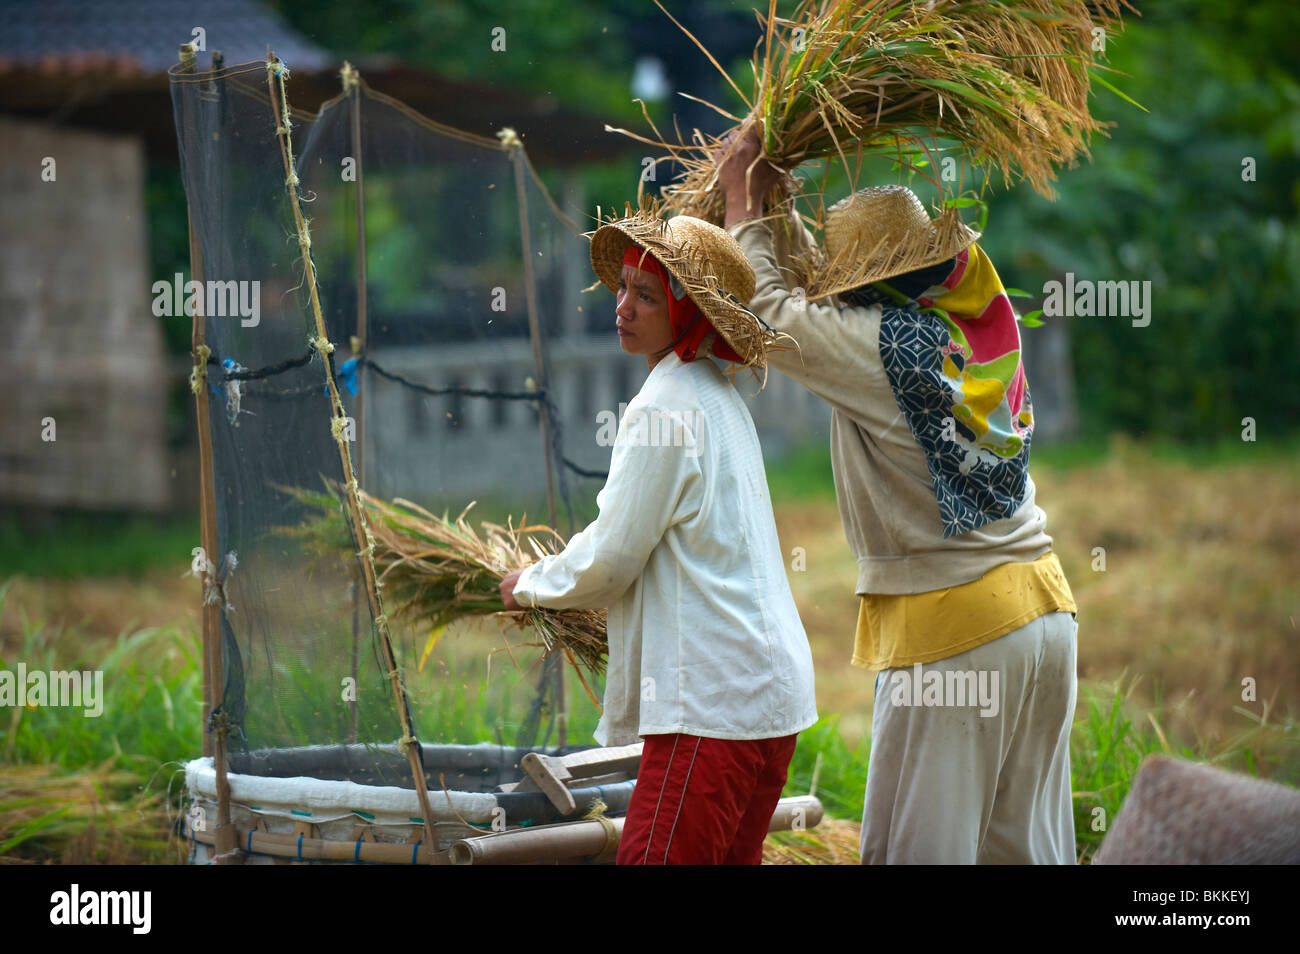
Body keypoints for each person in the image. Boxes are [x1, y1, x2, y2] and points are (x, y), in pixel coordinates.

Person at [714, 124, 1079, 864]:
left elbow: (770, 316)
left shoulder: (877, 346)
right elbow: (809, 305)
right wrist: (776, 215)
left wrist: (742, 210)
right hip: (1044, 611)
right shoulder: (971, 325)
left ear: (860, 289)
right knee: (1021, 851)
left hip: (957, 634)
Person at [499, 209, 818, 865]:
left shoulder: (664, 406)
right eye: (622, 288)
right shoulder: (720, 398)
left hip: (712, 708)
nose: (623, 307)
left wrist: (529, 584)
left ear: (689, 310)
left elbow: (613, 558)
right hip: (767, 701)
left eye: (646, 295)